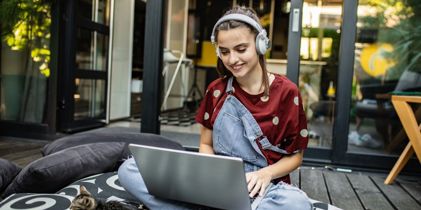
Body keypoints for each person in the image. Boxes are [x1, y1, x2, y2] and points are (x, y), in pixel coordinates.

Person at [118, 6, 312, 210]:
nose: (232, 60)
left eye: (241, 49)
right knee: (129, 169)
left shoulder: (287, 92)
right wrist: (209, 180)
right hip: (216, 179)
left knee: (296, 204)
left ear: (260, 44)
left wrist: (265, 174)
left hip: (262, 186)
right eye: (224, 52)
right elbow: (206, 144)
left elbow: (295, 156)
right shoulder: (216, 90)